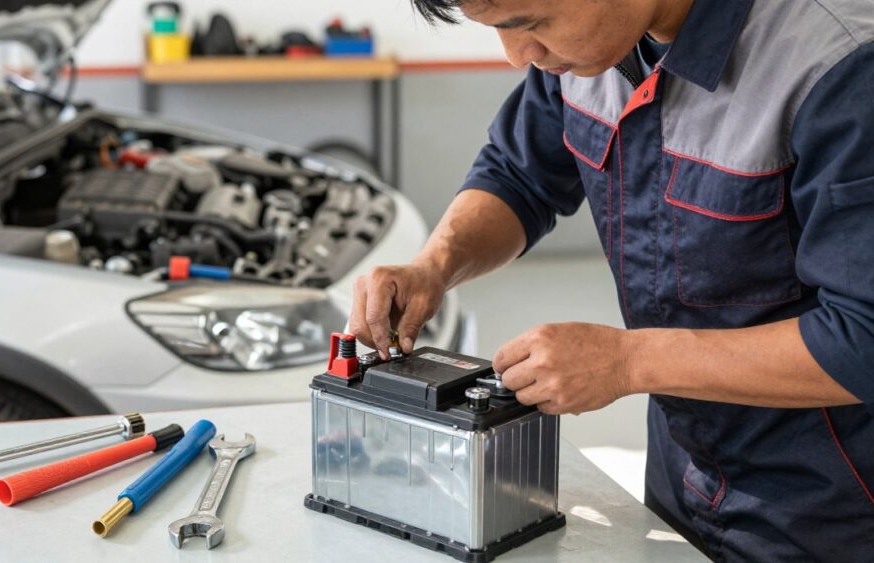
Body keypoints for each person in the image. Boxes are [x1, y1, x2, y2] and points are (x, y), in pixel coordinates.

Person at [348, 0, 874, 559]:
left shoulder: (840, 69)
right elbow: (520, 175)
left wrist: (627, 362)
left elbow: (863, 339)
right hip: (683, 474)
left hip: (836, 511)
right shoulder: (591, 52)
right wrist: (434, 264)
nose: (516, 56)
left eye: (527, 24)